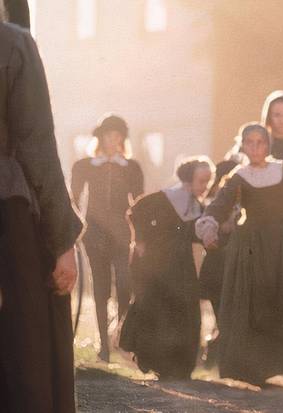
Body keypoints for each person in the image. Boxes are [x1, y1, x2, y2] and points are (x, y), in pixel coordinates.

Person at [0, 14, 83, 412]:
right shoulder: (12, 44)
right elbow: (37, 146)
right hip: (7, 216)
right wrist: (62, 241)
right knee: (23, 352)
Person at [196, 123, 283, 387]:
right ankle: (254, 367)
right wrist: (209, 226)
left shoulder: (282, 171)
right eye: (249, 142)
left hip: (282, 247)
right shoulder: (239, 176)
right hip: (251, 248)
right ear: (243, 145)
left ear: (267, 144)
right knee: (256, 305)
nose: (255, 147)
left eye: (260, 142)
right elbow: (218, 206)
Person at [119, 157, 214, 380]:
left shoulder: (196, 205)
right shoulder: (166, 197)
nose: (205, 187)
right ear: (189, 179)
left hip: (182, 265)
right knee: (158, 309)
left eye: (208, 182)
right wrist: (140, 240)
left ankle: (180, 367)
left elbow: (193, 234)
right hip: (157, 261)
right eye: (202, 181)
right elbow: (135, 211)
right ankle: (156, 361)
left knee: (186, 310)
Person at [71, 113, 144, 362]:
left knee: (124, 282)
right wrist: (75, 231)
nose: (114, 139)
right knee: (101, 287)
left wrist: (142, 236)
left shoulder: (132, 167)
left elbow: (140, 203)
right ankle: (103, 344)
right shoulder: (85, 166)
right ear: (101, 137)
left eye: (118, 135)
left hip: (122, 233)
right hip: (95, 234)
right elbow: (74, 198)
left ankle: (120, 337)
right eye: (110, 134)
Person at [199, 141, 245, 366]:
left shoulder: (242, 201)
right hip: (218, 262)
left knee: (230, 309)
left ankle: (221, 347)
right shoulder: (214, 202)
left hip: (235, 260)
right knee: (219, 307)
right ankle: (216, 347)